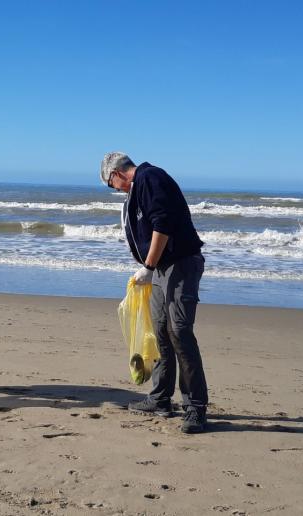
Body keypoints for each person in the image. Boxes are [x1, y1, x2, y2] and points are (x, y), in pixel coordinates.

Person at [100, 152, 209, 433]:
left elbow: (163, 224)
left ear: (116, 173)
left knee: (179, 332)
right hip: (161, 269)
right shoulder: (138, 189)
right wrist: (149, 268)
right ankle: (160, 398)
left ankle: (195, 407)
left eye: (110, 183)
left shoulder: (150, 178)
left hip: (180, 265)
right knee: (159, 331)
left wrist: (148, 265)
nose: (113, 189)